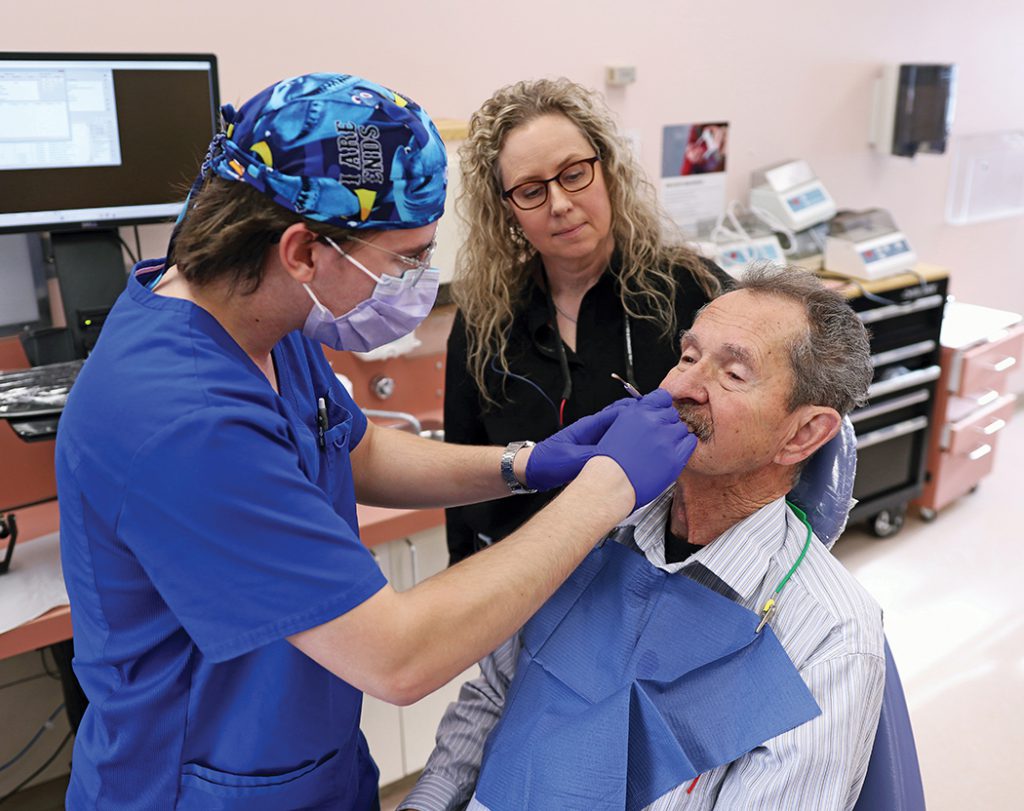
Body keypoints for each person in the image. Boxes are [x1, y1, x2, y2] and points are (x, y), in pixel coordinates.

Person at [54, 73, 700, 810]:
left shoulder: (260, 318)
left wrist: (522, 463)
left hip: (311, 760)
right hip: (205, 785)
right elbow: (398, 654)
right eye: (404, 260)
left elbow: (355, 451)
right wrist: (609, 482)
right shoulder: (182, 419)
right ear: (302, 251)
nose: (417, 282)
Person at [401, 266, 886, 811]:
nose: (679, 387)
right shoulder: (594, 526)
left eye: (732, 374)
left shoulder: (829, 633)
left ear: (803, 433)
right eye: (687, 357)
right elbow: (493, 694)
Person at [443, 77, 727, 565]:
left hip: (671, 577)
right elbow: (462, 475)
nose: (559, 204)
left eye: (574, 173)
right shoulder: (483, 321)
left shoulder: (690, 289)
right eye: (531, 190)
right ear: (508, 211)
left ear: (607, 170)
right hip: (528, 582)